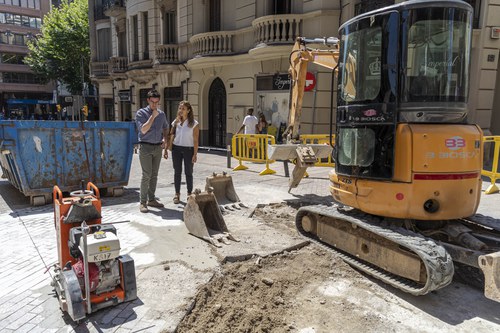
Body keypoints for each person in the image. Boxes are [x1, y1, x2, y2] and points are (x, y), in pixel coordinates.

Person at [135, 89, 169, 213]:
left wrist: (165, 138)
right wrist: (152, 117)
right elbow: (143, 130)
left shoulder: (162, 114)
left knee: (154, 175)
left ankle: (152, 199)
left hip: (157, 147)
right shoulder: (141, 113)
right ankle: (143, 202)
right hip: (145, 147)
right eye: (153, 102)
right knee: (146, 175)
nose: (155, 105)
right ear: (148, 100)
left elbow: (165, 127)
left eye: (157, 102)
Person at [171, 100, 199, 204]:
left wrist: (195, 154)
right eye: (180, 108)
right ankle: (177, 194)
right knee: (177, 172)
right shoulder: (176, 122)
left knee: (189, 172)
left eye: (183, 108)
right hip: (176, 149)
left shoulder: (194, 124)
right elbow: (171, 135)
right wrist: (166, 148)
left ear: (188, 110)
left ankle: (189, 194)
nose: (181, 110)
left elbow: (196, 140)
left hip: (189, 150)